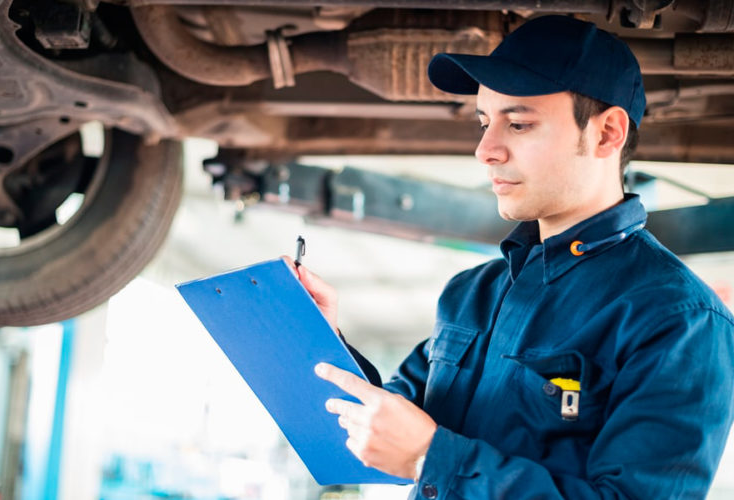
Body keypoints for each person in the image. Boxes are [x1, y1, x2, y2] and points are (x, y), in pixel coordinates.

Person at [286, 14, 734, 499]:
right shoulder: (470, 293)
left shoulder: (678, 320)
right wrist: (319, 338)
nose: (485, 150)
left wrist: (431, 458)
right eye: (484, 122)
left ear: (607, 133)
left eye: (518, 124)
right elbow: (382, 433)